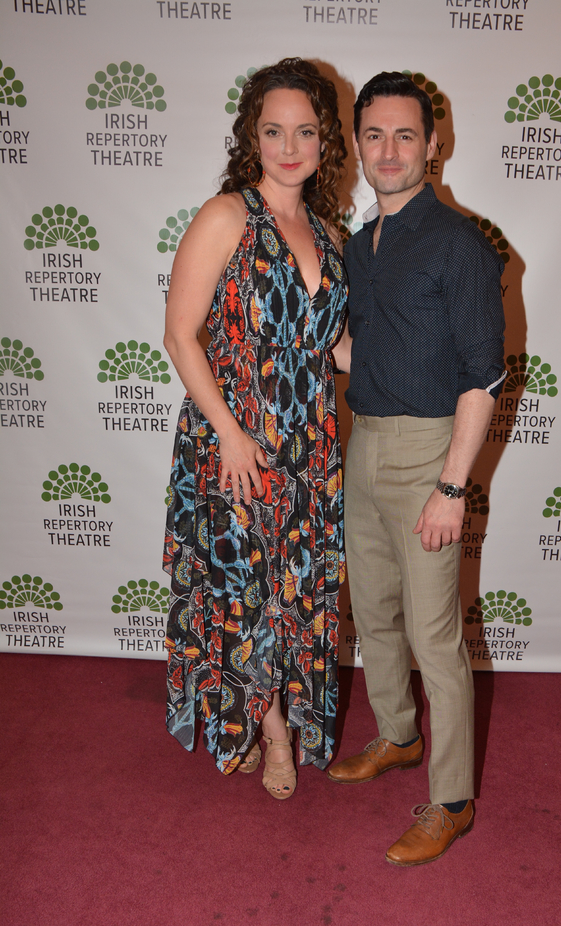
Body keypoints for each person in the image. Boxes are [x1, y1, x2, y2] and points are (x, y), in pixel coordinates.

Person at [327, 72, 506, 863]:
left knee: (436, 638)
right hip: (362, 444)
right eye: (374, 135)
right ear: (359, 145)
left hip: (430, 453)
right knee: (374, 615)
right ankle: (397, 736)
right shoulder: (365, 242)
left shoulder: (459, 243)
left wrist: (449, 487)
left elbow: (483, 377)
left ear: (434, 145)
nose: (389, 150)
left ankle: (452, 799)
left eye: (406, 135)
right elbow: (368, 349)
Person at [162, 58, 348, 800]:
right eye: (274, 130)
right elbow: (181, 335)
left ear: (326, 140)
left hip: (311, 445)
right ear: (252, 136)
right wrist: (231, 434)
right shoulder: (227, 216)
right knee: (245, 588)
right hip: (234, 440)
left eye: (305, 130)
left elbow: (333, 347)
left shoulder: (331, 233)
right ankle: (267, 730)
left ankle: (263, 713)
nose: (289, 145)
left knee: (294, 588)